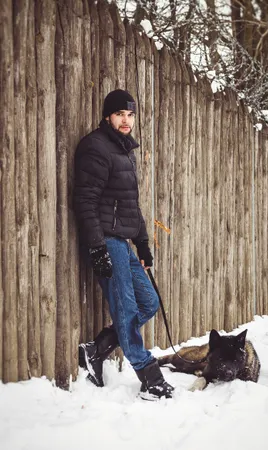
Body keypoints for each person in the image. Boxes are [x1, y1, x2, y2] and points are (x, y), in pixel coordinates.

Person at [74, 89, 174, 400]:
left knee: (148, 302)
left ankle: (97, 349)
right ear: (108, 116)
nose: (126, 120)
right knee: (128, 308)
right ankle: (149, 376)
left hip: (123, 241)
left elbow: (131, 204)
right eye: (120, 114)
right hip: (106, 240)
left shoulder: (123, 150)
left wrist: (143, 246)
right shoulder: (96, 147)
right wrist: (97, 247)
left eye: (130, 114)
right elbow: (85, 201)